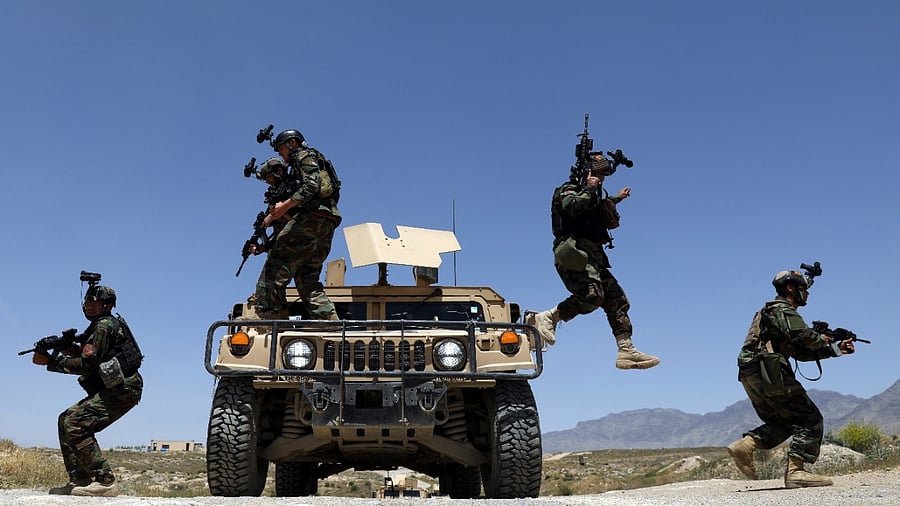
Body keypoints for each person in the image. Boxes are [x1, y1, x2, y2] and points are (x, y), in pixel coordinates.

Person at [527, 154, 659, 370]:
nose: (601, 178)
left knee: (616, 298)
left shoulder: (594, 195)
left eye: (602, 174)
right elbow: (571, 206)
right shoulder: (567, 189)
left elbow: (598, 207)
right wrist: (589, 188)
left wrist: (617, 198)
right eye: (597, 173)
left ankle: (626, 350)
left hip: (592, 255)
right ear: (586, 174)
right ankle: (548, 317)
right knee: (592, 296)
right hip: (572, 251)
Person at [727, 269, 856, 488]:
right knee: (810, 419)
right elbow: (802, 336)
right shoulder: (782, 309)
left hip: (753, 372)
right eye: (803, 289)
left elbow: (800, 352)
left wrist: (834, 349)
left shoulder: (768, 312)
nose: (807, 293)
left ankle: (745, 445)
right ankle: (796, 472)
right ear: (790, 288)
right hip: (769, 370)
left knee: (785, 421)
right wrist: (825, 338)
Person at [32, 282, 143, 497]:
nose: (90, 306)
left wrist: (50, 362)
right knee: (65, 419)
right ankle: (80, 480)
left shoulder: (104, 326)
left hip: (123, 389)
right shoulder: (99, 327)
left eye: (96, 302)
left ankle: (105, 480)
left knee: (74, 422)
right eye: (87, 301)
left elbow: (88, 364)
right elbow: (90, 355)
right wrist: (70, 348)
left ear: (108, 305)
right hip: (117, 387)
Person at [252, 129, 342, 320]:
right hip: (325, 223)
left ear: (292, 143)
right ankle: (331, 327)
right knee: (306, 279)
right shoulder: (307, 162)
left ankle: (272, 325)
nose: (280, 154)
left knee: (272, 273)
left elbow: (312, 185)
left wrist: (284, 207)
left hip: (312, 217)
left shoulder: (303, 155)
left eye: (281, 149)